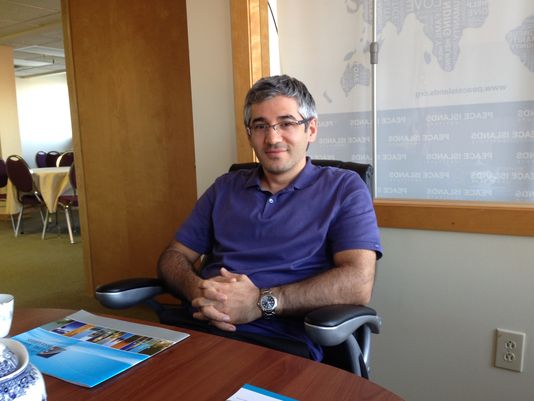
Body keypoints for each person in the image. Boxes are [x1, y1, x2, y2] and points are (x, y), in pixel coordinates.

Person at [157, 74, 382, 361]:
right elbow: (172, 256)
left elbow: (358, 282)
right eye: (260, 126)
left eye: (287, 123)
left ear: (310, 129)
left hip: (280, 347)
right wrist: (197, 289)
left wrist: (260, 303)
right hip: (197, 331)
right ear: (249, 133)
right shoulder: (225, 187)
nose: (273, 138)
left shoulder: (345, 188)